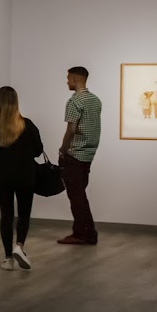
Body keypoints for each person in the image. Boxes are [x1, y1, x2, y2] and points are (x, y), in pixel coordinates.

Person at [0, 86, 43, 272]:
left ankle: (7, 258)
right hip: (25, 176)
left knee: (6, 215)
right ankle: (19, 246)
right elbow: (38, 150)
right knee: (24, 214)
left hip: (1, 177)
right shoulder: (27, 125)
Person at [58, 66, 102, 246]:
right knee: (80, 195)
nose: (67, 82)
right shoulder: (95, 100)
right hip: (89, 153)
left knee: (76, 196)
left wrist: (63, 149)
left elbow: (71, 130)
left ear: (76, 79)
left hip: (75, 154)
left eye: (68, 78)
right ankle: (88, 232)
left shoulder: (74, 101)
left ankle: (82, 234)